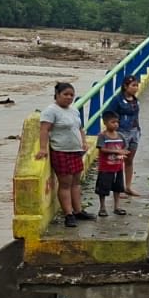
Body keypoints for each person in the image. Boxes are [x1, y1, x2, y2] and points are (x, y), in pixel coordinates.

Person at [36, 82, 93, 227]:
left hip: (75, 151)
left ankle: (78, 210)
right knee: (65, 183)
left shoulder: (74, 110)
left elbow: (79, 128)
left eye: (71, 95)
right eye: (65, 94)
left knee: (76, 182)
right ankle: (68, 214)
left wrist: (84, 142)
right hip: (61, 151)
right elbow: (44, 130)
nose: (69, 97)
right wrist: (43, 148)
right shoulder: (50, 111)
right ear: (57, 95)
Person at [94, 111, 128, 217]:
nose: (116, 124)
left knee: (118, 187)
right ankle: (102, 207)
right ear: (105, 123)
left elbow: (124, 148)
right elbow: (102, 149)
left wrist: (123, 154)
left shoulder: (120, 136)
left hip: (118, 167)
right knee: (103, 188)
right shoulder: (103, 136)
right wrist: (117, 152)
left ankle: (116, 206)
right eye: (113, 122)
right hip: (105, 167)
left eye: (117, 122)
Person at [114, 74, 142, 203]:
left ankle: (128, 186)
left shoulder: (136, 100)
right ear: (125, 86)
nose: (136, 88)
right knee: (119, 160)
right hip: (121, 133)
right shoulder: (117, 101)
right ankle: (118, 189)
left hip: (134, 132)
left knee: (129, 160)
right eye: (133, 85)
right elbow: (110, 116)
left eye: (137, 85)